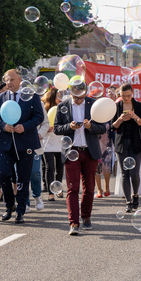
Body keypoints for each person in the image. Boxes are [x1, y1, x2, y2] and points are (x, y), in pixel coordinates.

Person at [52, 77, 107, 235]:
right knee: (72, 188)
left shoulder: (92, 105)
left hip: (89, 151)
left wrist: (90, 126)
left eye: (81, 97)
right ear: (71, 92)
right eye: (75, 97)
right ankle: (73, 223)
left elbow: (102, 128)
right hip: (71, 151)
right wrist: (68, 126)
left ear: (85, 93)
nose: (78, 99)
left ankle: (86, 217)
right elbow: (56, 128)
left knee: (89, 188)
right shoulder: (63, 106)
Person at [0, 69, 45, 224]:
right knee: (3, 175)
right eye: (7, 80)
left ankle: (20, 211)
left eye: (12, 79)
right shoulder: (1, 97)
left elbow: (39, 117)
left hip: (25, 144)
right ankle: (9, 206)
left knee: (23, 179)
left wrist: (25, 126)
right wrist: (3, 126)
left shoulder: (31, 96)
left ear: (20, 79)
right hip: (6, 144)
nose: (9, 83)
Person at [111, 83, 141, 212]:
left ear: (132, 94)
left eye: (128, 96)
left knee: (134, 174)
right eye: (123, 96)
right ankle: (128, 201)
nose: (126, 98)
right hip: (121, 143)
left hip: (135, 143)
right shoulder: (116, 106)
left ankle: (135, 194)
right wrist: (120, 119)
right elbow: (113, 127)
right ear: (119, 95)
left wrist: (135, 117)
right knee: (124, 173)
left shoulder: (139, 106)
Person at [41, 86, 63, 201]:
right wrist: (45, 128)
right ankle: (50, 192)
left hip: (60, 140)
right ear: (53, 97)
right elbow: (39, 123)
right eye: (58, 96)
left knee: (60, 167)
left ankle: (58, 189)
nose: (60, 98)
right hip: (47, 141)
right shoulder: (44, 109)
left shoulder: (63, 108)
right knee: (50, 167)